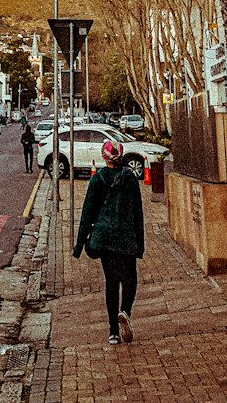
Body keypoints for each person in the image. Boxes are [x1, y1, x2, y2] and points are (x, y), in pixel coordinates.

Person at [72, 139, 144, 346]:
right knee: (130, 279)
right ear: (120, 157)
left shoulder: (98, 179)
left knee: (112, 283)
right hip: (126, 237)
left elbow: (87, 214)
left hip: (104, 238)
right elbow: (138, 213)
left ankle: (113, 331)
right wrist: (140, 245)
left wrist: (79, 246)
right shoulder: (130, 179)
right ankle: (125, 312)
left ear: (104, 157)